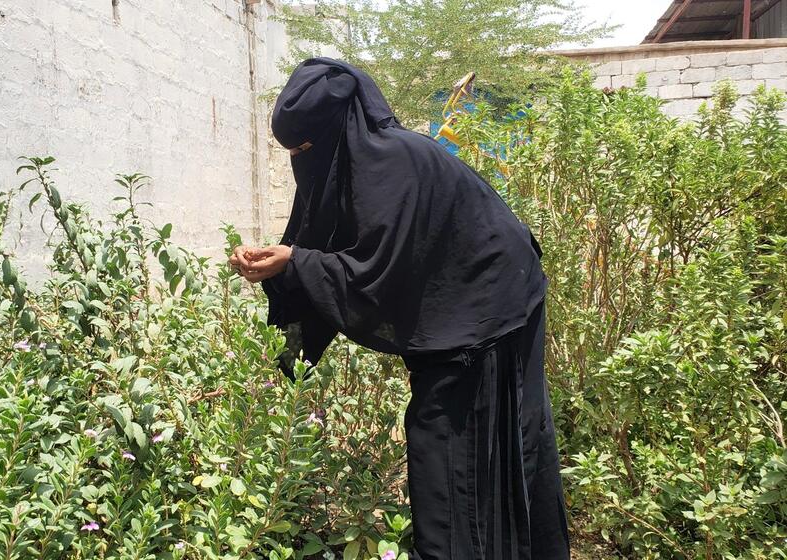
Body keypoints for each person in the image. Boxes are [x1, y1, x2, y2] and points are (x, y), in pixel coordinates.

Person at [229, 57, 570, 560]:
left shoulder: (395, 162)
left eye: (306, 147)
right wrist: (283, 262)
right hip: (462, 313)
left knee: (468, 457)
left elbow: (375, 271)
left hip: (494, 310)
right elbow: (333, 243)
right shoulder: (359, 164)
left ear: (336, 129)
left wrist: (297, 262)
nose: (303, 158)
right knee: (458, 460)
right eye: (294, 151)